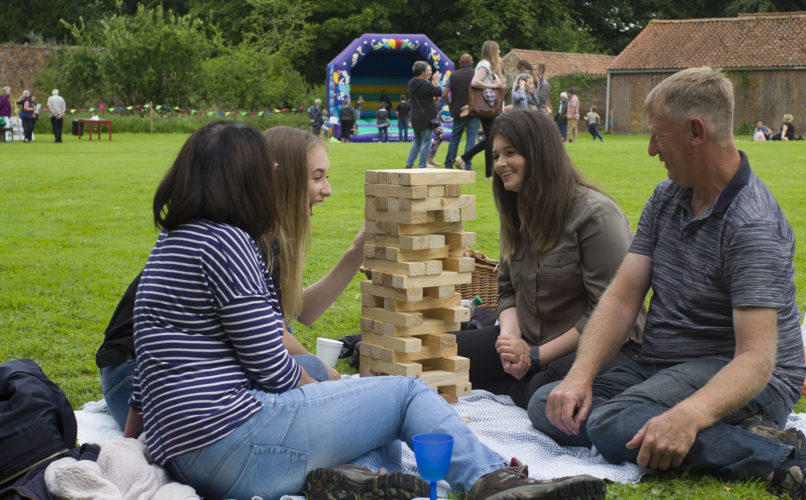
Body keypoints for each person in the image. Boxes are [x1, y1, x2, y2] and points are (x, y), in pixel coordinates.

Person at [122, 121, 605, 500]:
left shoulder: (175, 241)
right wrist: (338, 394)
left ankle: (361, 480)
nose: (270, 179)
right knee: (403, 396)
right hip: (232, 447)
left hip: (191, 452)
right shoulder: (227, 243)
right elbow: (273, 369)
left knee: (365, 406)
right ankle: (497, 481)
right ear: (237, 179)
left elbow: (147, 374)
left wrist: (133, 447)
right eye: (261, 171)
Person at [529, 67, 806, 500]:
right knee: (550, 402)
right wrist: (579, 375)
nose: (651, 150)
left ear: (695, 132)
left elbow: (756, 360)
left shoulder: (753, 223)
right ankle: (744, 434)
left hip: (744, 375)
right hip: (666, 365)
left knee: (611, 423)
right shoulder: (667, 197)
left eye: (658, 135)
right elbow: (622, 296)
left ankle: (789, 467)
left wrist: (689, 414)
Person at [96, 126, 361, 429]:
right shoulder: (235, 241)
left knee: (311, 371)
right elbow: (273, 354)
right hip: (138, 377)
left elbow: (290, 319)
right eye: (317, 177)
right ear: (276, 177)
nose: (327, 189)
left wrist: (357, 251)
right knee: (317, 374)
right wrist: (329, 391)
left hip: (155, 386)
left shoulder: (192, 234)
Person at [453, 110, 645, 409]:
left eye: (511, 153)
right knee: (444, 356)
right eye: (496, 155)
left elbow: (607, 311)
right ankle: (514, 390)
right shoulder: (516, 212)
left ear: (540, 154)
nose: (500, 163)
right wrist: (509, 342)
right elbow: (507, 291)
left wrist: (535, 356)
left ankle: (518, 392)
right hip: (528, 339)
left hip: (603, 345)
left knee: (544, 390)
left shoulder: (595, 215)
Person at [454, 40, 506, 178]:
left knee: (491, 137)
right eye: (498, 49)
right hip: (486, 107)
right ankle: (489, 174)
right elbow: (475, 82)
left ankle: (464, 158)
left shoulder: (487, 65)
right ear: (492, 50)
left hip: (488, 107)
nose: (500, 51)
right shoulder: (485, 65)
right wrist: (493, 85)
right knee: (492, 138)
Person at [443, 53, 479, 170]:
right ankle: (467, 164)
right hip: (474, 110)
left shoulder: (453, 76)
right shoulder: (476, 74)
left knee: (455, 138)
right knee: (471, 138)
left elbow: (444, 94)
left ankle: (449, 163)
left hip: (458, 110)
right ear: (472, 62)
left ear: (460, 62)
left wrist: (450, 104)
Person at [406, 60, 441, 169]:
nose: (430, 72)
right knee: (426, 142)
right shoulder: (425, 84)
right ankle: (422, 166)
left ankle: (409, 164)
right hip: (426, 118)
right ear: (422, 72)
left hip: (415, 117)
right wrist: (435, 81)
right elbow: (438, 92)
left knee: (417, 142)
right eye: (428, 70)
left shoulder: (412, 82)